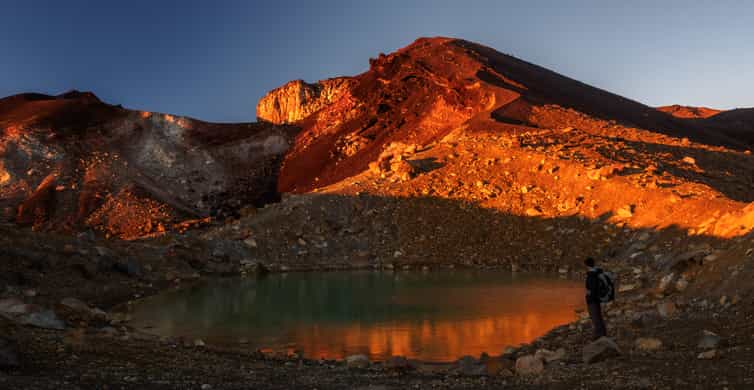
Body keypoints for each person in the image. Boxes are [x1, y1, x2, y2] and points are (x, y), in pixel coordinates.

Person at [584, 257, 607, 340]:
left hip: (592, 300)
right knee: (598, 315)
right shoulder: (598, 273)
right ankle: (603, 333)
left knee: (595, 316)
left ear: (586, 265)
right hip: (597, 298)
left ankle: (598, 335)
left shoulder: (591, 275)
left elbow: (592, 288)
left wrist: (589, 295)